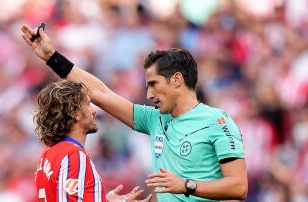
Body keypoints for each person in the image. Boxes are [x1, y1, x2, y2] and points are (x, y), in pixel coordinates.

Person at [21, 24, 248, 202]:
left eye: (154, 84)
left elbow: (239, 187)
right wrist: (53, 58)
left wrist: (186, 185)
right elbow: (99, 92)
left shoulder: (217, 121)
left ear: (176, 80)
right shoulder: (154, 120)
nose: (148, 94)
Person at [33, 80, 152, 202]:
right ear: (75, 113)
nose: (94, 111)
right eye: (88, 104)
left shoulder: (47, 155)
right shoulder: (72, 155)